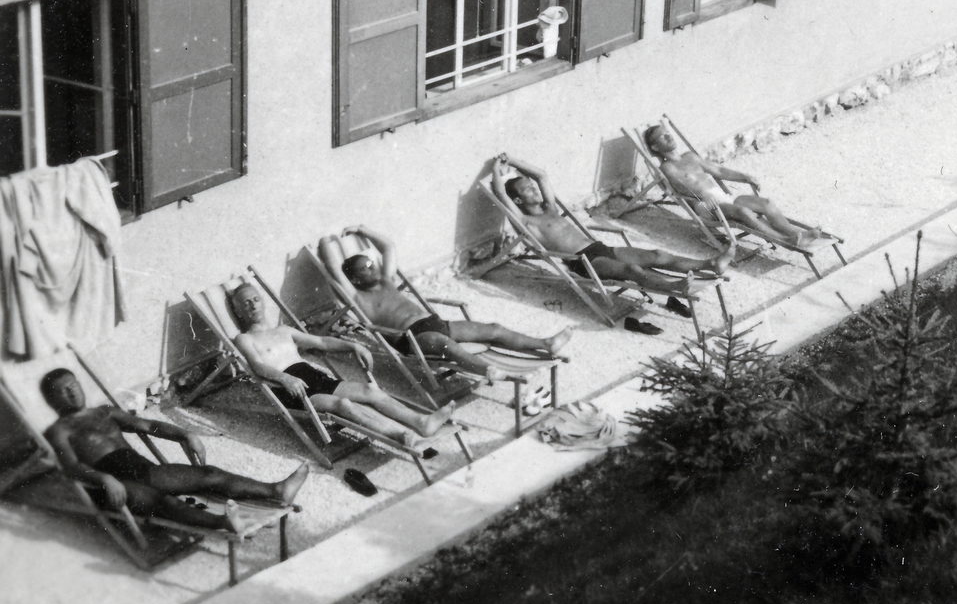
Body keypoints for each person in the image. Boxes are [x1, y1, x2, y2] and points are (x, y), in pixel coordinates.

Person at [40, 368, 307, 534]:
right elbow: (71, 466)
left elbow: (148, 424)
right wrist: (104, 479)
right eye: (63, 391)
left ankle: (276, 491)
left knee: (208, 473)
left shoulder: (105, 412)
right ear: (53, 400)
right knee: (163, 503)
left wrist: (185, 433)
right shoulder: (58, 430)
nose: (72, 392)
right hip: (115, 484)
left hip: (144, 470)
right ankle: (222, 524)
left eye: (73, 384)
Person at [319, 225, 573, 379]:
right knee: (446, 345)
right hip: (411, 339)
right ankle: (488, 370)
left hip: (433, 322)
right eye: (365, 268)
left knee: (493, 328)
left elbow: (388, 247)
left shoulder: (386, 280)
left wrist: (363, 229)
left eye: (371, 263)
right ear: (354, 279)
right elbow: (332, 266)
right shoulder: (356, 296)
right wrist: (325, 240)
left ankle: (546, 344)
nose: (372, 267)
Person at [226, 282, 454, 447]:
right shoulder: (244, 339)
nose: (253, 306)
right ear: (238, 311)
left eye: (255, 299)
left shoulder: (284, 330)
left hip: (312, 376)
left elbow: (322, 341)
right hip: (289, 388)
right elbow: (257, 365)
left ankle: (422, 422)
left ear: (262, 302)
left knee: (370, 390)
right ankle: (403, 435)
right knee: (344, 405)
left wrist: (353, 346)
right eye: (245, 303)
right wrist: (285, 378)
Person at [492, 154, 733, 299]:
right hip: (583, 262)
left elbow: (542, 176)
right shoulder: (526, 222)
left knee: (656, 254)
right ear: (518, 201)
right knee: (633, 271)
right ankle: (675, 286)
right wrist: (495, 170)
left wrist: (511, 160)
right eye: (527, 190)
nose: (534, 189)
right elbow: (501, 194)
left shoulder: (551, 209)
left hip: (599, 248)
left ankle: (711, 264)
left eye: (531, 187)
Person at [642, 124, 836, 251]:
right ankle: (785, 241)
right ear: (656, 147)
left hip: (722, 197)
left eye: (668, 133)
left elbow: (718, 170)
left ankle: (796, 235)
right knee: (742, 211)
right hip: (705, 205)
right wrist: (701, 201)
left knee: (766, 203)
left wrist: (745, 177)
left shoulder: (690, 157)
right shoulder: (667, 167)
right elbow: (681, 191)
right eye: (662, 137)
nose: (668, 137)